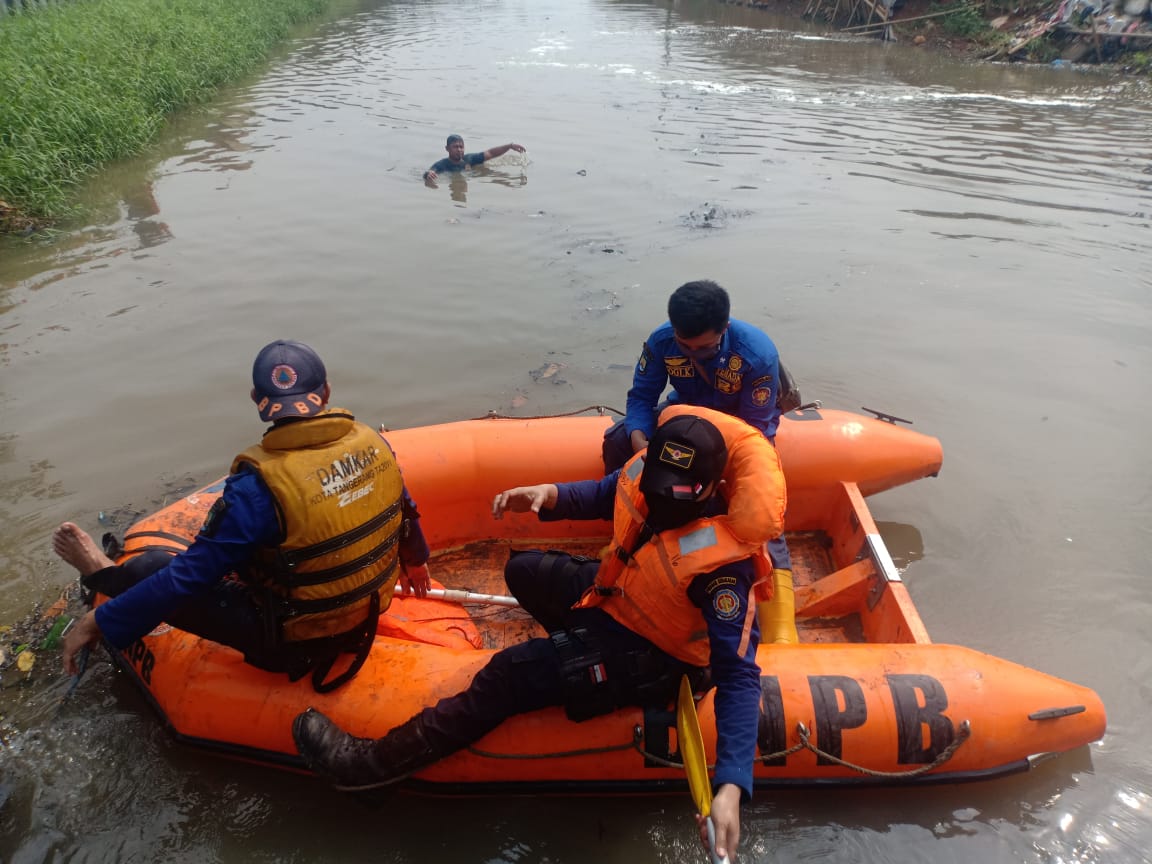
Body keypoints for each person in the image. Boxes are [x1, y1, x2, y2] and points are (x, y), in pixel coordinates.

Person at [292, 406, 786, 861]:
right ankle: (573, 655)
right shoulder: (646, 478)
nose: (659, 499)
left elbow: (739, 676)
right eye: (656, 485)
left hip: (655, 657)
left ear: (708, 489)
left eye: (673, 494)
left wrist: (731, 786)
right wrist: (547, 496)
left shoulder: (724, 571)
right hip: (618, 601)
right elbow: (606, 491)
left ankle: (370, 773)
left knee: (509, 674)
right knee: (525, 570)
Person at [55, 339, 432, 692]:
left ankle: (101, 574)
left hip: (292, 643)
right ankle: (105, 576)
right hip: (362, 621)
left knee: (150, 567)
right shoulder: (374, 444)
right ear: (327, 392)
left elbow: (188, 577)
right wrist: (417, 560)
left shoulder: (257, 488)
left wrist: (96, 622)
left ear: (257, 399)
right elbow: (407, 511)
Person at [602, 279, 796, 641]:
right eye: (684, 347)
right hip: (686, 419)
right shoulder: (661, 342)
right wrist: (639, 437)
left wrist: (712, 466)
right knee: (615, 440)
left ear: (724, 329)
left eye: (704, 350)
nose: (692, 355)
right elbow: (641, 397)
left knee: (760, 507)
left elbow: (754, 427)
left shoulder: (755, 354)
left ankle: (780, 622)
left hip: (739, 431)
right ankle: (624, 535)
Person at [422, 134, 525, 183]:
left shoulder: (469, 159)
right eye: (455, 147)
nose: (459, 150)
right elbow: (430, 171)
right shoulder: (442, 165)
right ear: (447, 149)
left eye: (461, 147)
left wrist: (509, 146)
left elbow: (490, 153)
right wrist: (428, 174)